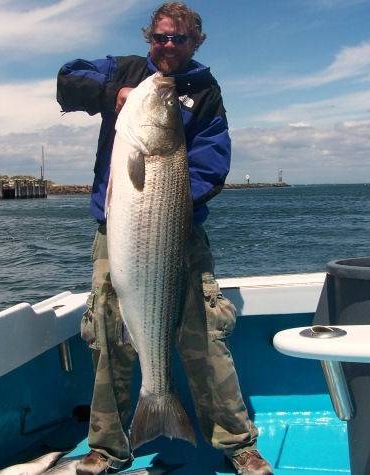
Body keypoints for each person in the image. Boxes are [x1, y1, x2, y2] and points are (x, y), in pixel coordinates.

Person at [57, 3, 273, 474]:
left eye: (178, 39)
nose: (166, 47)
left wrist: (171, 199)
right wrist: (112, 92)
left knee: (206, 335)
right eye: (159, 37)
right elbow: (67, 81)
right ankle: (109, 447)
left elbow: (212, 163)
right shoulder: (127, 71)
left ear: (196, 42)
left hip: (179, 231)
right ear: (148, 38)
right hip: (116, 232)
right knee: (110, 336)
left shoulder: (206, 91)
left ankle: (236, 442)